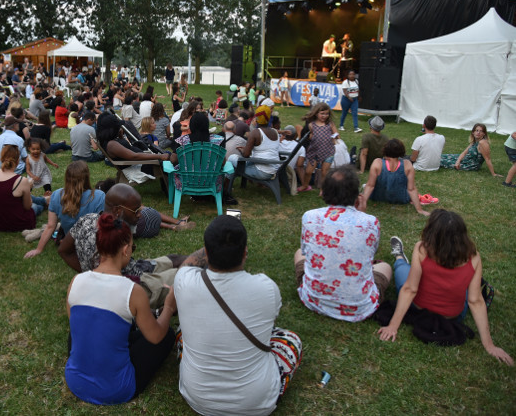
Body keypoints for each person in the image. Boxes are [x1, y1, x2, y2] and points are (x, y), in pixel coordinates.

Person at [175, 215, 302, 415]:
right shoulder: (266, 288)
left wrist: (215, 243)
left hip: (197, 397)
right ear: (245, 252)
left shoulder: (184, 281)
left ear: (206, 252)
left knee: (182, 330)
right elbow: (270, 326)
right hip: (256, 402)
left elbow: (187, 264)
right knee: (292, 340)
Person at [64, 212, 176, 405]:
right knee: (166, 335)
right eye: (132, 246)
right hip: (116, 389)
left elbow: (77, 330)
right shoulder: (133, 291)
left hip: (75, 381)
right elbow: (156, 336)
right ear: (125, 250)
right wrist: (168, 307)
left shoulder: (76, 281)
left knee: (87, 325)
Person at [377, 211, 513, 365]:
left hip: (420, 308)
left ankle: (399, 257)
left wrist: (393, 326)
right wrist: (489, 345)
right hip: (454, 315)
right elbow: (475, 301)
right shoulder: (474, 257)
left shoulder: (421, 248)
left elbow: (410, 289)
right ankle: (403, 260)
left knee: (403, 271)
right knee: (467, 287)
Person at [59, 183, 196, 308]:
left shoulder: (87, 220)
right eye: (136, 210)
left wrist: (86, 272)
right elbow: (64, 251)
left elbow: (64, 250)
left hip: (135, 269)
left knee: (175, 259)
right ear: (118, 211)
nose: (140, 215)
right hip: (134, 287)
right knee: (185, 274)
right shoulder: (116, 237)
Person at [294, 165, 392, 322]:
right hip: (360, 307)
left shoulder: (309, 217)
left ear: (324, 191)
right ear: (356, 194)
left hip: (314, 300)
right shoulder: (370, 222)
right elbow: (369, 253)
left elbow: (305, 252)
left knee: (299, 253)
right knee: (385, 267)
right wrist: (362, 214)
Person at [25, 161, 105, 259]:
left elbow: (50, 226)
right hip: (91, 245)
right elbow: (102, 227)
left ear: (66, 177)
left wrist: (39, 249)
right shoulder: (99, 196)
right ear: (87, 177)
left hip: (70, 244)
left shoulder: (56, 195)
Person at [223, 104, 280, 205]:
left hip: (261, 171)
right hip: (274, 167)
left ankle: (225, 189)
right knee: (234, 162)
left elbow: (246, 155)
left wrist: (243, 150)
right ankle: (228, 187)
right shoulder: (275, 132)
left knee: (232, 159)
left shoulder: (256, 132)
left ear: (258, 118)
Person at [359, 139, 429, 216]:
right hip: (401, 199)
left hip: (378, 197)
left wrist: (362, 204)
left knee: (365, 185)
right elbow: (411, 189)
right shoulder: (407, 164)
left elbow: (370, 185)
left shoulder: (377, 162)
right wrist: (419, 210)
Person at [0, 145, 46, 232]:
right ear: (18, 160)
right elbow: (27, 206)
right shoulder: (21, 180)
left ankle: (44, 200)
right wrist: (28, 187)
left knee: (18, 195)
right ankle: (44, 202)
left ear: (1, 158)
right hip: (14, 222)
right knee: (36, 206)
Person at [300, 102, 338, 191]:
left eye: (327, 114)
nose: (325, 116)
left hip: (328, 151)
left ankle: (323, 189)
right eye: (322, 113)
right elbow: (310, 136)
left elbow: (336, 134)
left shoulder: (330, 124)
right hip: (315, 151)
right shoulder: (311, 125)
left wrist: (335, 136)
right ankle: (305, 185)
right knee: (308, 171)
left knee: (324, 172)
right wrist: (311, 137)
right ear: (316, 114)